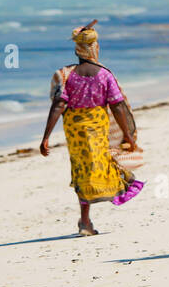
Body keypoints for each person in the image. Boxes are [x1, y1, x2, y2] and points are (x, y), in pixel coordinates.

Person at [39, 20, 143, 235]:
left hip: (75, 132)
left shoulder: (65, 74)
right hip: (98, 129)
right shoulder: (105, 75)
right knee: (105, 161)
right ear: (95, 47)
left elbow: (59, 105)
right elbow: (117, 106)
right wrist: (128, 136)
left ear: (77, 48)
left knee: (81, 170)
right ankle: (98, 209)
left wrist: (46, 136)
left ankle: (85, 220)